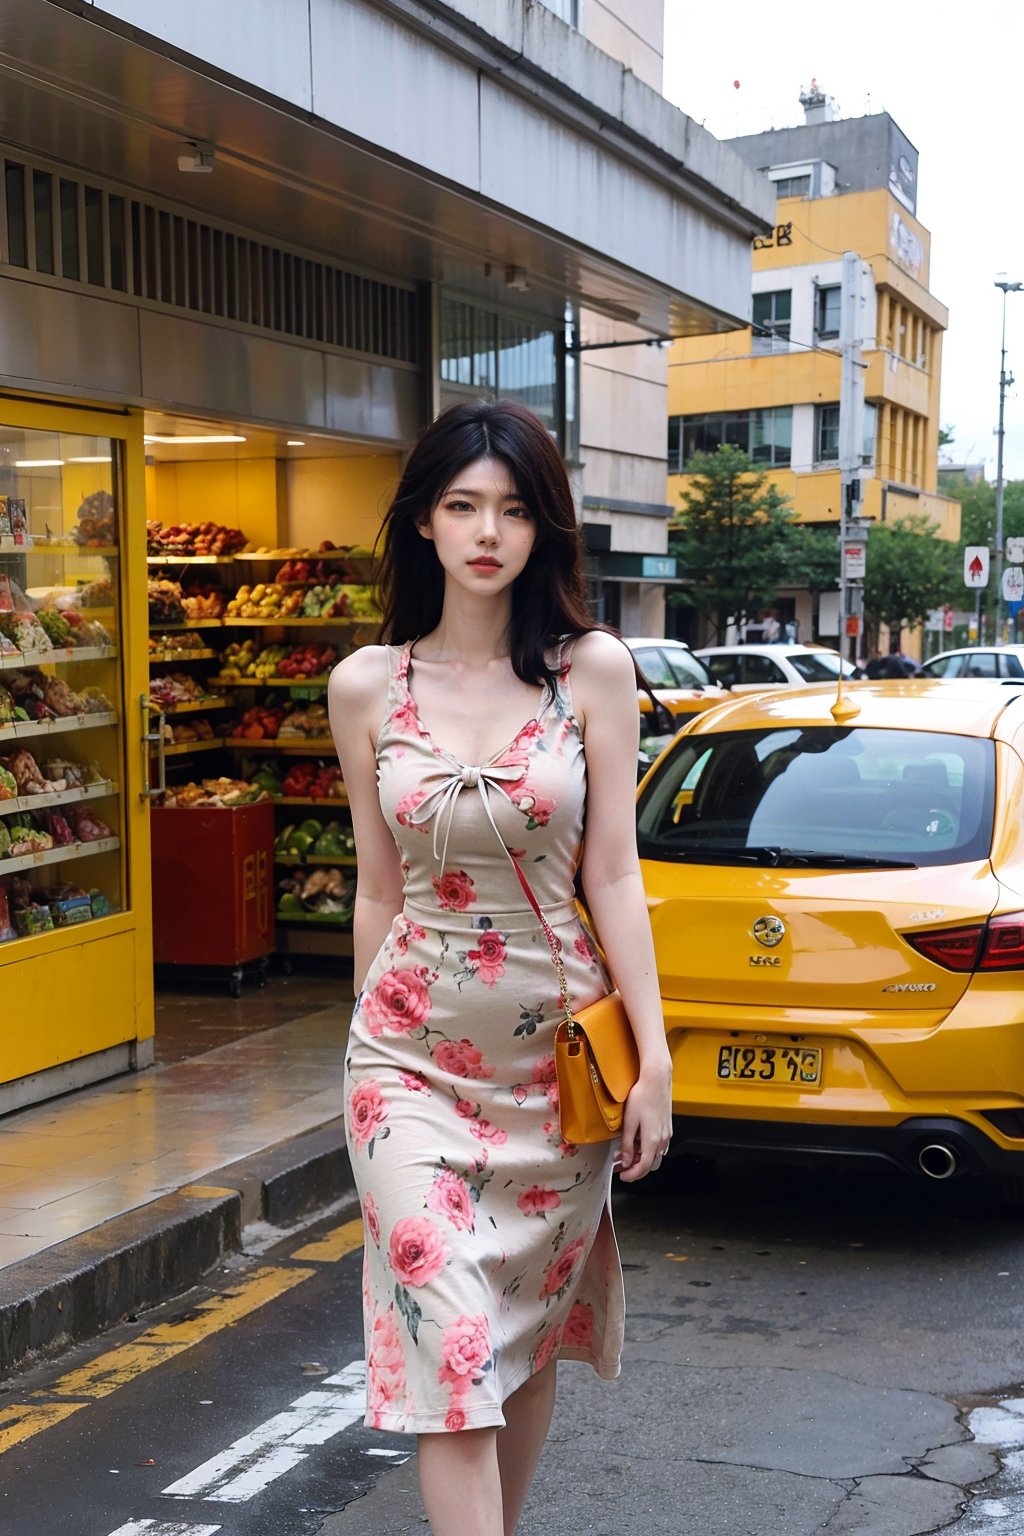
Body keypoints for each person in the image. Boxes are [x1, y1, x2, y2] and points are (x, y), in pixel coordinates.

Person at [328, 399, 671, 1536]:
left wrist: (654, 1059)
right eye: (464, 505)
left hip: (553, 1073)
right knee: (452, 1347)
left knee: (520, 1343)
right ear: (422, 521)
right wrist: (355, 1046)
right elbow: (378, 886)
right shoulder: (367, 686)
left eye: (515, 509)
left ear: (544, 529)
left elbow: (612, 873)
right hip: (407, 1066)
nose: (489, 532)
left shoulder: (592, 672)